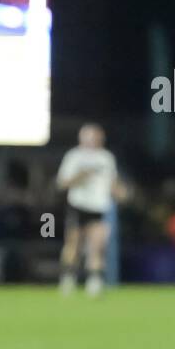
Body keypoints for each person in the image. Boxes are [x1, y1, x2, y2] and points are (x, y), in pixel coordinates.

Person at [55, 123, 120, 297]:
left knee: (97, 245)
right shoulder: (74, 156)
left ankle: (94, 281)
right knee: (73, 244)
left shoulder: (106, 158)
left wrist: (119, 192)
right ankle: (68, 278)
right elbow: (62, 183)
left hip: (99, 206)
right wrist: (80, 176)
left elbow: (112, 183)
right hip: (78, 205)